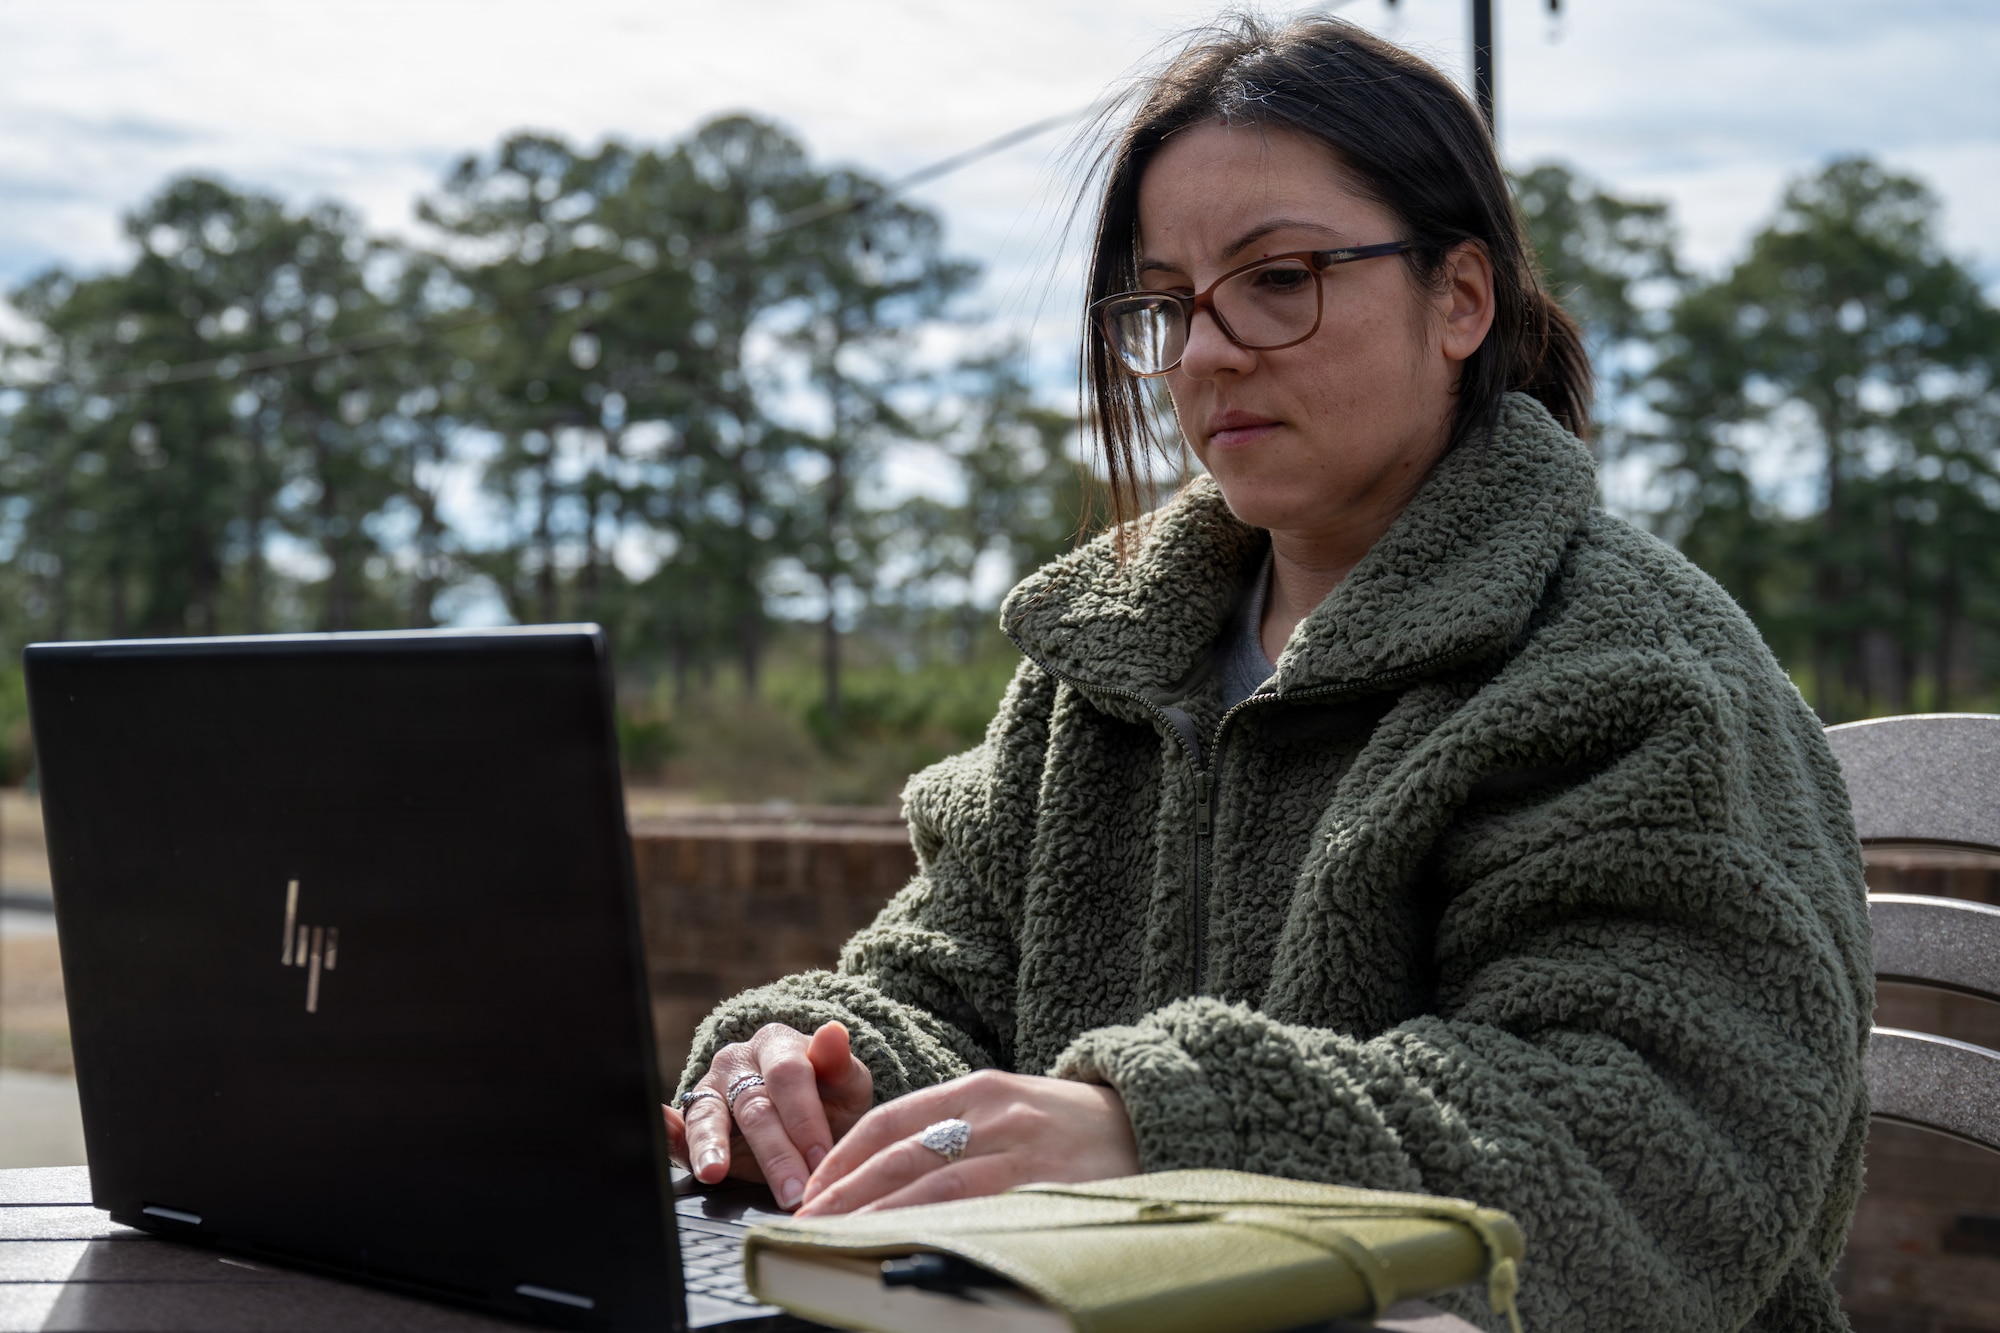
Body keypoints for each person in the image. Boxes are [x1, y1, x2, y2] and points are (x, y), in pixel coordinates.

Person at [666, 14, 1872, 1331]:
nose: (1204, 353)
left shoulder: (1630, 671)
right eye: (1168, 302)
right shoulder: (1104, 661)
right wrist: (817, 1063)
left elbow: (1654, 1152)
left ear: (1461, 298)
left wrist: (1162, 1124)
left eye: (1279, 277)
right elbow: (938, 985)